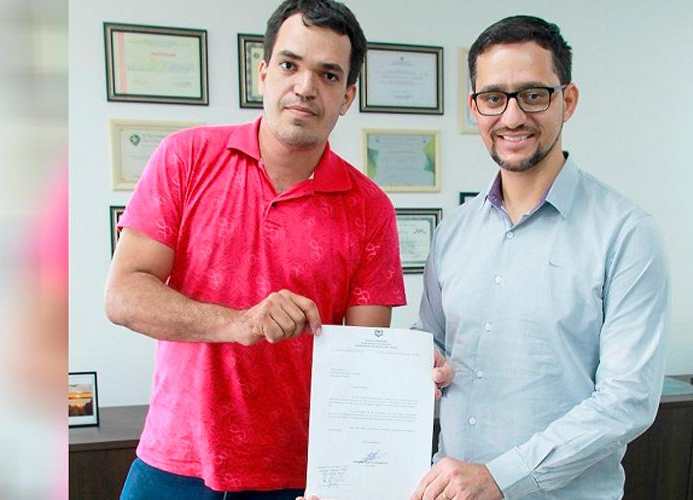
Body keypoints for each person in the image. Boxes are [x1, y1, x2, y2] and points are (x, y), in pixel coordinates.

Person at [105, 1, 452, 498]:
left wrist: (409, 372)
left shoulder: (370, 208)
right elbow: (123, 296)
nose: (306, 87)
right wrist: (241, 323)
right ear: (264, 73)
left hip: (299, 478)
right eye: (290, 65)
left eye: (328, 75)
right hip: (174, 464)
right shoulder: (185, 158)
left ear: (347, 96)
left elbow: (362, 357)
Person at [411, 15, 670, 500]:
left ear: (567, 101)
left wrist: (500, 477)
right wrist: (419, 363)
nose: (512, 117)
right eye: (494, 98)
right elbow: (430, 345)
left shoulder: (627, 233)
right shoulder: (453, 233)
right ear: (475, 107)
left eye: (533, 95)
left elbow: (627, 400)